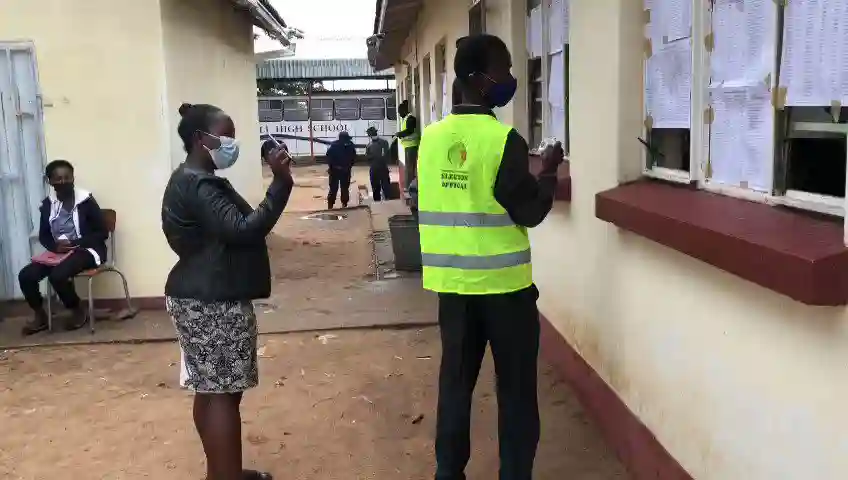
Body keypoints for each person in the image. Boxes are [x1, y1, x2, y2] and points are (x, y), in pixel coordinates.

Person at [416, 34, 564, 480]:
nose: (513, 79)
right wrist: (551, 170)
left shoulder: (431, 139)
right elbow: (531, 210)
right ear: (480, 80)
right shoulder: (504, 142)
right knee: (516, 394)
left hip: (454, 292)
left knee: (455, 389)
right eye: (505, 70)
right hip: (505, 293)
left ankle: (448, 473)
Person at [161, 102, 293, 480]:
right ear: (202, 139)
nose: (233, 143)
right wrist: (280, 186)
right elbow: (243, 228)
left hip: (201, 293)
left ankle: (223, 471)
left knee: (214, 389)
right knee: (221, 393)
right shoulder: (199, 183)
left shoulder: (191, 178)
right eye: (227, 134)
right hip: (211, 300)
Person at [18, 159, 108, 335]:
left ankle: (76, 309)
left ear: (73, 178)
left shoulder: (86, 201)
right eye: (58, 178)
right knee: (26, 275)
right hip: (58, 253)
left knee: (57, 275)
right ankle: (40, 315)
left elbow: (101, 233)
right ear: (49, 181)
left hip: (86, 250)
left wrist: (75, 243)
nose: (63, 182)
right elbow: (44, 235)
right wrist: (54, 246)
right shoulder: (47, 205)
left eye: (67, 177)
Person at [325, 131, 356, 209]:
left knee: (334, 188)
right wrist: (349, 166)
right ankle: (343, 205)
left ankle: (331, 206)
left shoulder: (333, 145)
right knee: (343, 188)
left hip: (335, 171)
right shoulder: (350, 145)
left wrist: (331, 166)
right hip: (343, 171)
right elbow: (354, 158)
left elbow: (328, 157)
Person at [396, 100, 420, 188]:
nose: (399, 114)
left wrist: (400, 134)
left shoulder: (410, 118)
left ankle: (409, 187)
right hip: (408, 146)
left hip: (412, 146)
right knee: (409, 168)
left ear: (404, 110)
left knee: (410, 169)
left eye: (400, 112)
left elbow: (409, 131)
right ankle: (409, 186)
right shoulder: (406, 119)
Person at [365, 126, 392, 201]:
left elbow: (367, 157)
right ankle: (387, 199)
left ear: (369, 135)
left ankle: (377, 202)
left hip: (374, 168)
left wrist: (372, 158)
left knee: (375, 186)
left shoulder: (369, 145)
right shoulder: (384, 142)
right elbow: (387, 155)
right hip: (383, 166)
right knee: (385, 184)